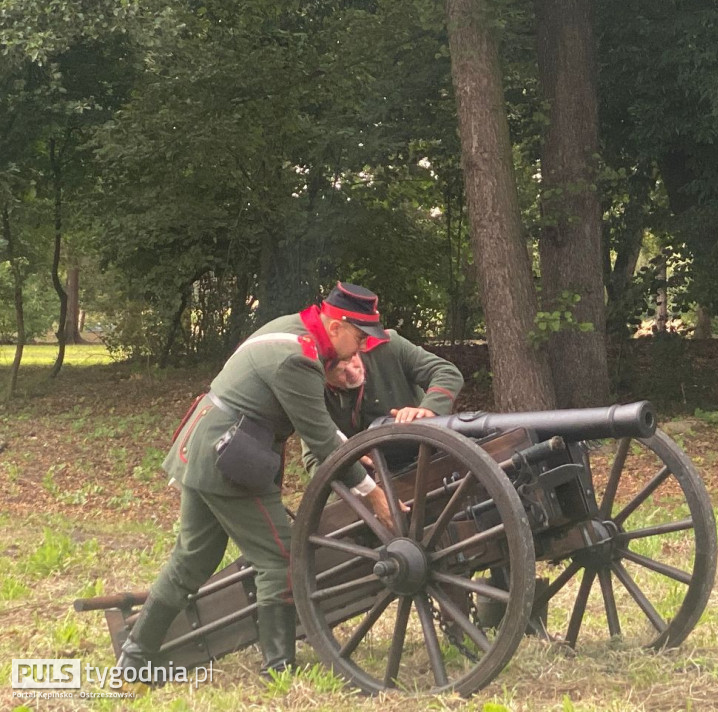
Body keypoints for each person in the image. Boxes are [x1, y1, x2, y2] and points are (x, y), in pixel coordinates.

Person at [119, 282, 398, 681]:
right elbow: (319, 437)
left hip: (208, 446)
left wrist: (358, 451)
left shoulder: (292, 329)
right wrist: (375, 497)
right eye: (358, 337)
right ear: (336, 326)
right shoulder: (298, 359)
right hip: (229, 456)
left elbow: (320, 429)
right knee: (280, 557)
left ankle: (135, 655)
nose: (360, 349)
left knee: (192, 558)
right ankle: (278, 669)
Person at [300, 327, 464, 474]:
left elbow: (446, 373)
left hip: (429, 452)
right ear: (323, 375)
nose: (352, 371)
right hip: (370, 479)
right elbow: (313, 457)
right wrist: (347, 469)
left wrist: (428, 409)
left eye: (351, 358)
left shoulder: (388, 346)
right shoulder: (311, 391)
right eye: (341, 372)